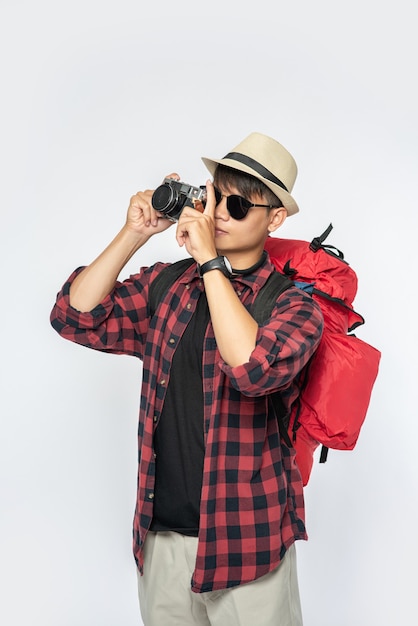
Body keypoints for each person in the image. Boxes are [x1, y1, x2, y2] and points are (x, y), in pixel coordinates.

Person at [50, 132, 324, 625]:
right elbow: (75, 316)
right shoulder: (169, 285)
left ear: (275, 218)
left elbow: (251, 368)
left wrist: (209, 263)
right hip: (162, 542)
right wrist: (135, 233)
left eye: (238, 204)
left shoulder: (294, 306)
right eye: (214, 195)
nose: (218, 212)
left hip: (248, 548)